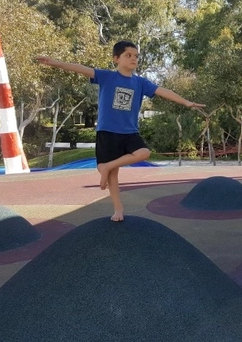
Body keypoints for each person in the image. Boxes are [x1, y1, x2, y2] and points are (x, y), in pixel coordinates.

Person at [36, 41, 205, 222]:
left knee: (143, 153)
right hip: (108, 131)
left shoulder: (140, 82)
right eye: (128, 55)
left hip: (130, 132)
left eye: (136, 56)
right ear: (116, 59)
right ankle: (118, 209)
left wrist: (186, 102)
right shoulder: (107, 77)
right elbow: (80, 68)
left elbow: (163, 90)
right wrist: (54, 62)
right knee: (113, 176)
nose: (134, 59)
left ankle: (107, 166)